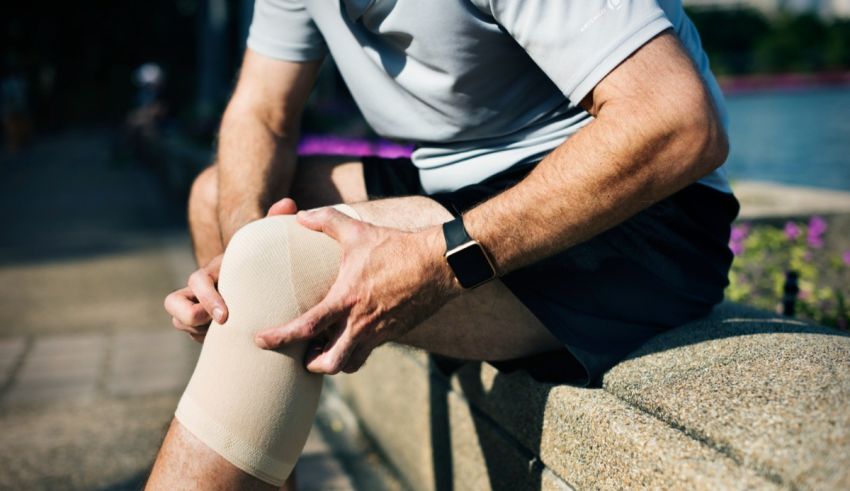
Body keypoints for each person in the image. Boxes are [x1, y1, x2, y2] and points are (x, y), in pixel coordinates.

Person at [148, 1, 739, 489]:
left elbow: (679, 120)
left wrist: (442, 259)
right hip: (460, 183)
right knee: (218, 198)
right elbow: (262, 112)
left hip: (636, 210)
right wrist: (235, 270)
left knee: (280, 263)